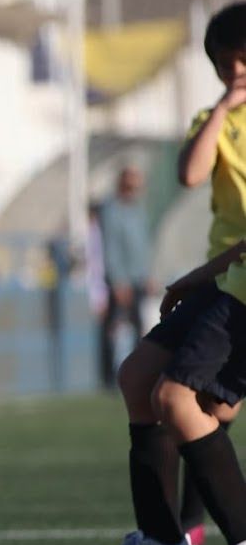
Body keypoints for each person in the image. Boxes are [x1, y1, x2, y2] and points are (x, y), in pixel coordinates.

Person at [76, 3, 246, 545]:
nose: (239, 71)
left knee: (183, 403)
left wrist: (202, 273)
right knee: (138, 377)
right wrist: (201, 275)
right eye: (228, 64)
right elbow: (192, 176)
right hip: (230, 285)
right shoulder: (218, 119)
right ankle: (162, 540)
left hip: (239, 293)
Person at [97, 166, 155, 388]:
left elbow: (142, 245)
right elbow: (111, 248)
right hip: (120, 281)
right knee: (113, 327)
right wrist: (118, 281)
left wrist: (147, 274)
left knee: (138, 327)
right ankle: (108, 379)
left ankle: (136, 372)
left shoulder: (138, 210)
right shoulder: (112, 210)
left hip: (138, 278)